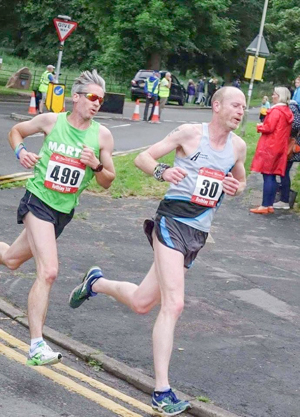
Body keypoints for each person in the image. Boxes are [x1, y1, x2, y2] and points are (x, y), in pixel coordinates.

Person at [68, 86, 247, 416]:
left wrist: (236, 187)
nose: (241, 111)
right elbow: (142, 158)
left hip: (197, 233)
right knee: (174, 303)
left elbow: (240, 180)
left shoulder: (238, 147)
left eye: (244, 107)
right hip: (171, 222)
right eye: (235, 105)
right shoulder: (189, 134)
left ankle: (95, 283)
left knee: (141, 302)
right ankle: (161, 392)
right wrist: (163, 171)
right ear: (217, 105)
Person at [0, 70, 115, 366]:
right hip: (37, 199)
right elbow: (16, 132)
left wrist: (97, 165)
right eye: (91, 97)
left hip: (62, 212)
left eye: (100, 99)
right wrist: (21, 152)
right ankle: (36, 345)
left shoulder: (102, 135)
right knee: (48, 271)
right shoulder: (52, 121)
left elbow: (108, 181)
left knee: (12, 259)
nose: (96, 103)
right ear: (75, 97)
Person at [250, 87, 293, 214]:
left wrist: (259, 126)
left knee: (267, 175)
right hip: (280, 146)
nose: (272, 96)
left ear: (279, 96)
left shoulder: (276, 111)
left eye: (274, 94)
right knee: (273, 176)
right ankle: (269, 205)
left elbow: (269, 128)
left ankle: (264, 205)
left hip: (270, 146)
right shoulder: (287, 111)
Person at [273, 99, 300, 209]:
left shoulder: (292, 109)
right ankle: (284, 198)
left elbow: (296, 125)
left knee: (284, 172)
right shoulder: (295, 109)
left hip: (290, 148)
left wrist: (285, 130)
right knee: (284, 172)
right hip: (293, 147)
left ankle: (284, 200)